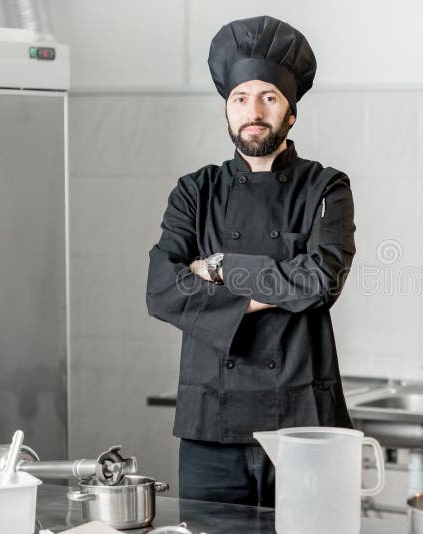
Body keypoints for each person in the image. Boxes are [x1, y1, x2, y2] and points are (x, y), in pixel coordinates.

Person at [145, 15, 356, 507]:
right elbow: (161, 290)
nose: (252, 110)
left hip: (304, 424)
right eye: (240, 98)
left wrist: (217, 267)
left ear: (291, 112)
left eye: (268, 97)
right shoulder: (194, 191)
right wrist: (281, 286)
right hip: (210, 426)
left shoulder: (326, 187)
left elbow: (321, 280)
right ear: (227, 110)